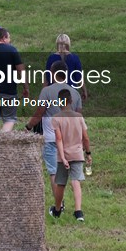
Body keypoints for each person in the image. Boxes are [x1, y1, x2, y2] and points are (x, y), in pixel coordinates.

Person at [25, 61, 83, 178]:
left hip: (51, 137)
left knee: (54, 172)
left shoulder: (46, 91)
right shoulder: (76, 93)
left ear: (52, 73)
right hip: (70, 138)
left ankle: (59, 196)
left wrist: (29, 126)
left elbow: (39, 113)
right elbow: (78, 117)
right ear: (66, 74)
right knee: (70, 173)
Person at [49, 89, 91, 222]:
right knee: (75, 180)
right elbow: (85, 138)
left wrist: (62, 157)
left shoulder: (56, 118)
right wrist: (88, 153)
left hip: (63, 155)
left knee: (60, 183)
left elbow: (59, 139)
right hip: (78, 153)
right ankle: (78, 212)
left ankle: (57, 210)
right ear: (71, 101)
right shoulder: (79, 117)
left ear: (58, 102)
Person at [45, 34, 89, 102]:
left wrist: (43, 93)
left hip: (53, 92)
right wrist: (84, 91)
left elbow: (47, 78)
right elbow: (79, 78)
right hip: (71, 92)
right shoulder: (75, 58)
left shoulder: (51, 58)